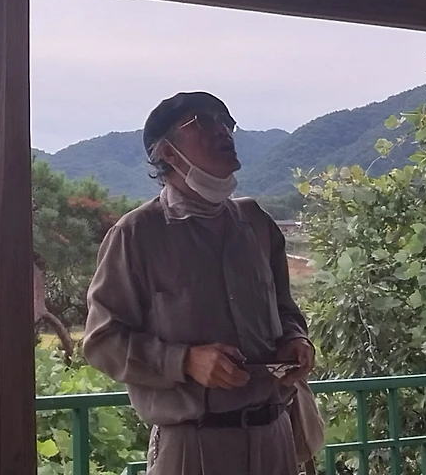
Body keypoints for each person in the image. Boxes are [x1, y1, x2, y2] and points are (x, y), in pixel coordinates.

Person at [83, 92, 315, 475]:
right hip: (193, 448)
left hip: (276, 438)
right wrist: (184, 361)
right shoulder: (137, 235)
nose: (223, 130)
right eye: (203, 122)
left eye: (225, 122)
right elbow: (102, 342)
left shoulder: (256, 224)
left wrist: (296, 339)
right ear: (168, 153)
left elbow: (286, 311)